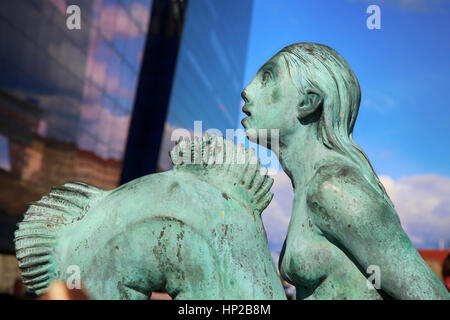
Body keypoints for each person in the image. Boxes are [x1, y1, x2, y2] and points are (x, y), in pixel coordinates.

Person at [241, 42, 450, 300]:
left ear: (308, 102)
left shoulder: (334, 187)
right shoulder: (311, 186)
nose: (246, 91)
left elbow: (430, 295)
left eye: (268, 77)